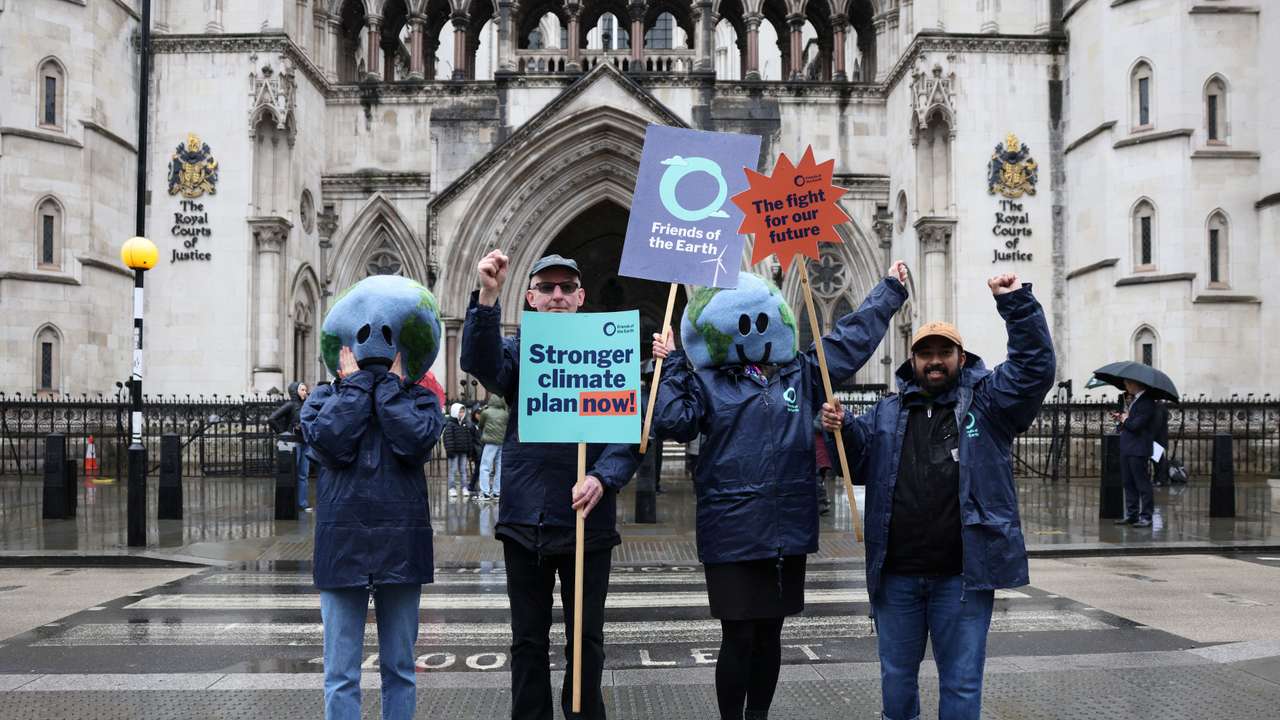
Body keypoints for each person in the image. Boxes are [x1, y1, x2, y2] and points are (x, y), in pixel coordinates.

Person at [653, 263, 909, 720]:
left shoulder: (801, 373)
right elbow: (673, 421)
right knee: (738, 635)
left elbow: (850, 341)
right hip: (730, 531)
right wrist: (672, 363)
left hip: (785, 529)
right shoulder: (705, 381)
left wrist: (888, 291)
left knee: (770, 634)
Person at [821, 273, 1055, 720]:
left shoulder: (988, 404)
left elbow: (1034, 370)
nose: (934, 361)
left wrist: (1016, 305)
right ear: (912, 359)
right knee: (896, 683)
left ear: (960, 358)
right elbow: (860, 462)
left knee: (962, 685)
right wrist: (843, 426)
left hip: (962, 580)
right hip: (897, 578)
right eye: (925, 353)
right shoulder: (887, 411)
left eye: (943, 353)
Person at [460, 250, 640, 720]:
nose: (556, 295)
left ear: (581, 296)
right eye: (546, 288)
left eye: (566, 288)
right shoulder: (519, 353)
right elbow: (480, 362)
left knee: (587, 642)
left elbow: (630, 431)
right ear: (531, 297)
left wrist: (604, 477)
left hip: (588, 520)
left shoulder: (609, 350)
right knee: (527, 643)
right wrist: (487, 297)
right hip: (527, 521)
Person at [302, 271, 445, 720]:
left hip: (400, 548)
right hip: (342, 547)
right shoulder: (321, 400)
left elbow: (413, 441)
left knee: (400, 667)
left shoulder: (420, 402)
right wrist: (361, 385)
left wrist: (384, 386)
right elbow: (329, 442)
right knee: (340, 672)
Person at [1115, 379, 1157, 527]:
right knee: (1128, 483)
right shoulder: (1134, 401)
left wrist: (1126, 419)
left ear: (1135, 384)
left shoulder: (1147, 402)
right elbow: (1130, 423)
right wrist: (1122, 419)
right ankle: (1132, 514)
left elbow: (1136, 425)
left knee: (1142, 483)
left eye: (1127, 384)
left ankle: (1146, 516)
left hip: (1139, 449)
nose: (1125, 387)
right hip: (1127, 447)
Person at [268, 381, 311, 510]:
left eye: (305, 390)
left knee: (303, 475)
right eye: (302, 390)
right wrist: (283, 433)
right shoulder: (290, 405)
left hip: (305, 443)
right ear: (295, 391)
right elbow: (272, 418)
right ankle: (290, 504)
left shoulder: (308, 405)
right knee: (291, 474)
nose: (305, 392)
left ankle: (302, 504)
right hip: (294, 444)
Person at [477, 394, 508, 501]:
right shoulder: (505, 414)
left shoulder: (486, 412)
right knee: (499, 467)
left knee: (485, 466)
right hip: (502, 441)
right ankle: (496, 492)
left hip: (490, 442)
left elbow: (480, 425)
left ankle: (485, 492)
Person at [442, 402, 474, 498]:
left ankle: (464, 487)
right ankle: (452, 488)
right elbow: (447, 438)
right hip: (454, 452)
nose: (461, 414)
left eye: (463, 412)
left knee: (463, 470)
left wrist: (469, 451)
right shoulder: (450, 424)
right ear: (455, 412)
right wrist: (450, 451)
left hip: (463, 451)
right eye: (460, 412)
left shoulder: (464, 424)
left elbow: (468, 438)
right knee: (453, 470)